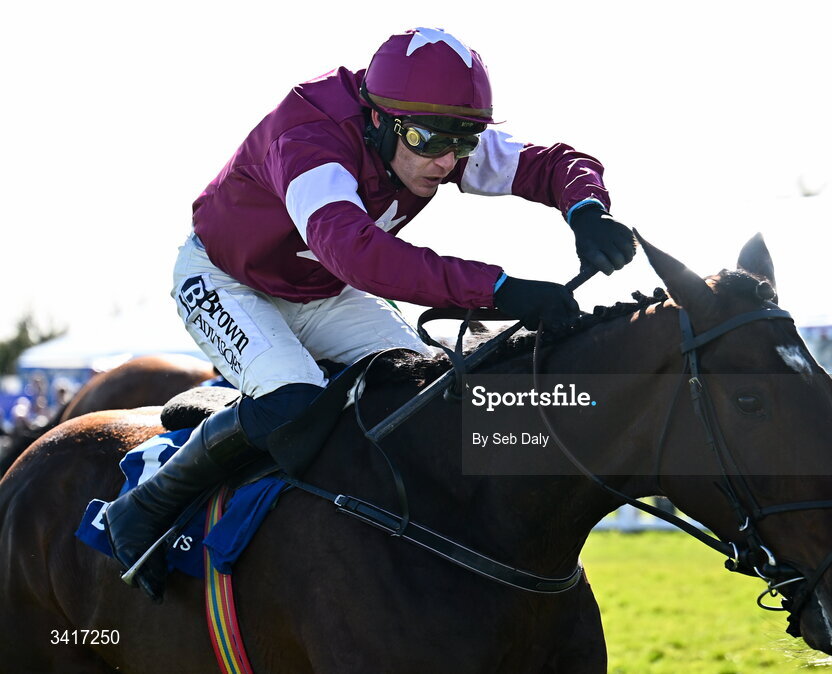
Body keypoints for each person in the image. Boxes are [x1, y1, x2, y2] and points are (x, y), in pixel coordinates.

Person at [102, 27, 636, 601]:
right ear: (377, 119)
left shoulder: (429, 130)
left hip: (322, 292)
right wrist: (499, 289)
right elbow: (358, 254)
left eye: (463, 142)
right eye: (430, 141)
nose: (446, 161)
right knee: (293, 403)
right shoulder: (309, 139)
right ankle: (142, 506)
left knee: (432, 394)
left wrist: (586, 210)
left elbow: (552, 164)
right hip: (226, 279)